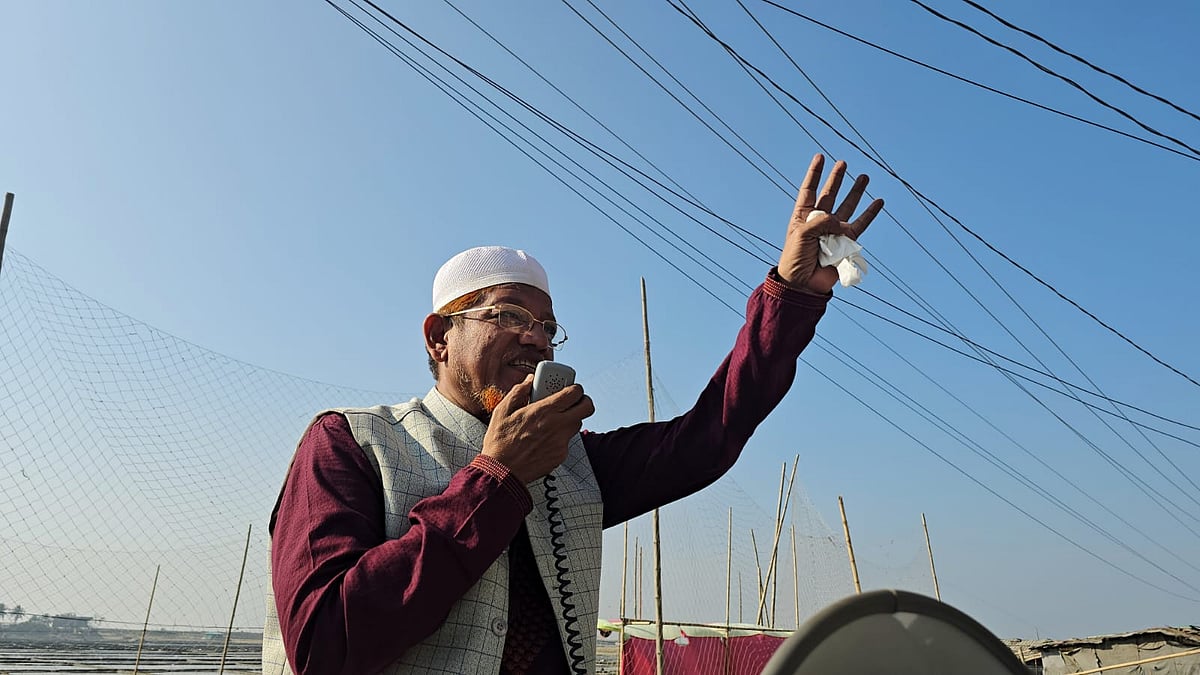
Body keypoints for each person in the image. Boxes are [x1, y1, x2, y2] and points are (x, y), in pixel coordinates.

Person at [262, 153, 884, 675]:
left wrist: (792, 294)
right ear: (438, 337)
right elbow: (323, 644)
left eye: (547, 327)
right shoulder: (351, 443)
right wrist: (494, 479)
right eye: (506, 316)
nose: (534, 339)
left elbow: (712, 434)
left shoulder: (573, 462)